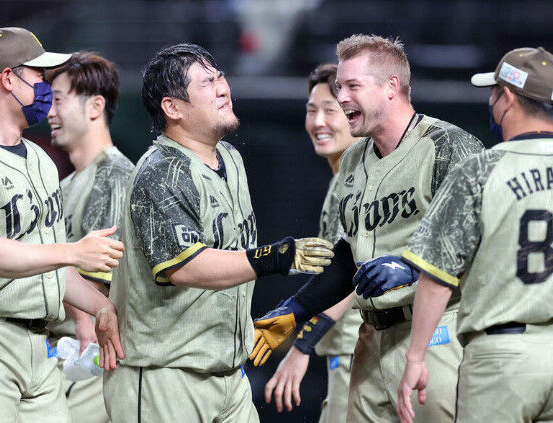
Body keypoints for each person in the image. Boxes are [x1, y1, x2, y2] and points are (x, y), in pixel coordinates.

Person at [249, 34, 484, 422]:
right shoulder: (355, 157)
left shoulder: (448, 146)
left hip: (437, 333)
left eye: (352, 86)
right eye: (340, 86)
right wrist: (295, 309)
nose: (341, 98)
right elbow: (349, 255)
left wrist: (409, 267)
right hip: (371, 337)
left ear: (391, 87)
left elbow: (484, 241)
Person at [103, 43, 334, 423]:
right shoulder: (160, 170)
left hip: (229, 376)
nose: (223, 87)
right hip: (166, 378)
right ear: (172, 108)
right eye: (207, 82)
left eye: (221, 76)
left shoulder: (230, 158)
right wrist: (275, 258)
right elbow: (185, 266)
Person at [0, 27, 124, 422]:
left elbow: (51, 264)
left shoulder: (40, 159)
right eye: (38, 76)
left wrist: (100, 307)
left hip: (37, 346)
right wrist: (73, 250)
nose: (45, 89)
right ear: (8, 79)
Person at [397, 47, 553, 423]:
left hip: (502, 359)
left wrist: (416, 356)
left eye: (494, 92)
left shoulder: (479, 170)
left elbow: (436, 275)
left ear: (508, 97)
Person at [262, 63, 361, 422]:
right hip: (348, 354)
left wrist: (302, 345)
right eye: (311, 110)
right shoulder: (342, 180)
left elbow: (356, 272)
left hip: (363, 354)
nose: (318, 121)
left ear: (354, 112)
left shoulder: (364, 179)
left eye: (330, 110)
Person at [45, 51, 135, 423]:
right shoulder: (66, 183)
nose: (49, 111)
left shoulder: (113, 175)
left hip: (93, 361)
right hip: (67, 356)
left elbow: (98, 282)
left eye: (58, 99)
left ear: (96, 105)